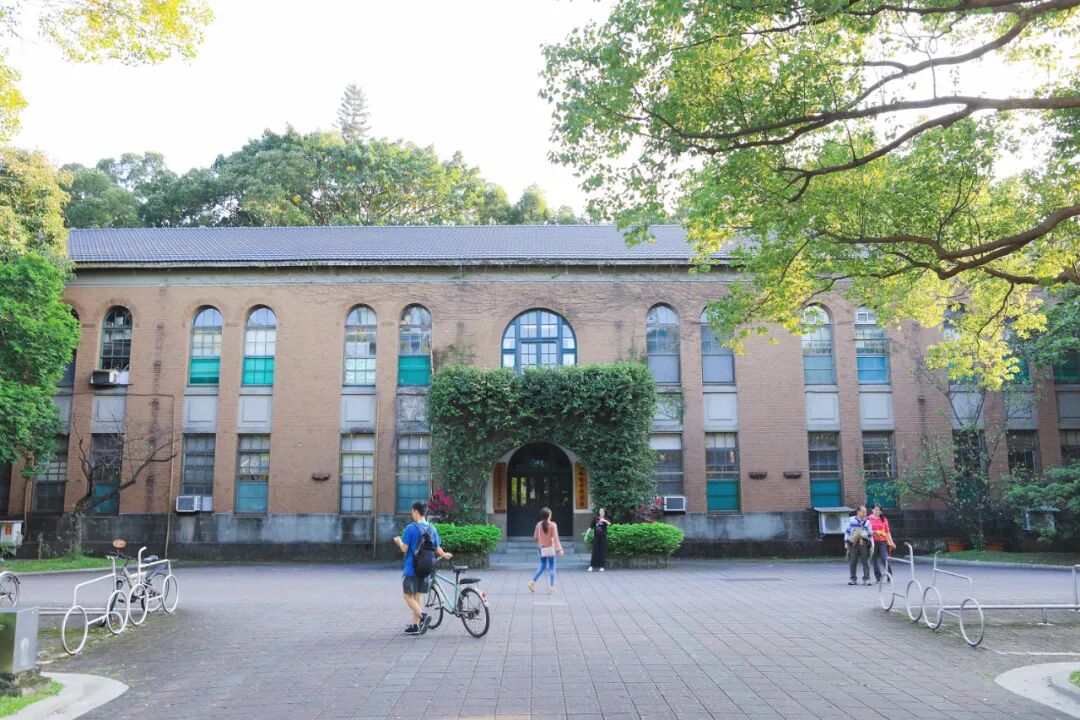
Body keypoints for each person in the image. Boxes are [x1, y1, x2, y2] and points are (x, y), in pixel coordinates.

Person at [392, 500, 452, 635]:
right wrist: (445, 554)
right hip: (426, 569)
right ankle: (415, 625)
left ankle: (423, 617)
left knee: (408, 596)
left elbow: (404, 549)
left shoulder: (410, 528)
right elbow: (437, 548)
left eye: (412, 511)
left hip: (412, 569)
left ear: (415, 511)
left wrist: (398, 541)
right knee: (418, 596)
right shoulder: (432, 528)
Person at [529, 507, 564, 595]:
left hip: (542, 548)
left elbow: (535, 537)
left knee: (542, 566)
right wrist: (559, 549)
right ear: (549, 515)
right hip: (550, 549)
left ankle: (532, 582)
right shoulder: (553, 525)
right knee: (552, 568)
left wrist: (541, 543)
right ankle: (552, 588)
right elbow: (555, 539)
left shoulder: (538, 524)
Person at [843, 505, 874, 586]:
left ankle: (866, 579)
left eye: (865, 512)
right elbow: (847, 532)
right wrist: (846, 543)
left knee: (865, 562)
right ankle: (853, 579)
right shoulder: (850, 520)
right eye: (863, 512)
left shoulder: (867, 522)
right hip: (853, 543)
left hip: (864, 543)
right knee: (852, 561)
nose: (865, 513)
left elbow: (871, 534)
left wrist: (872, 544)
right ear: (858, 512)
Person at [868, 504, 896, 584]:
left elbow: (887, 531)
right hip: (872, 541)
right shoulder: (868, 519)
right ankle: (878, 577)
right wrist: (874, 532)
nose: (878, 511)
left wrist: (891, 541)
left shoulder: (883, 519)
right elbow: (866, 530)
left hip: (883, 541)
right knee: (874, 560)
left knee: (884, 558)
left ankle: (889, 576)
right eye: (876, 510)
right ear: (872, 510)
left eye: (879, 510)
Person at [588, 507, 611, 572]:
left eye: (602, 511)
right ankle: (591, 566)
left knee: (602, 552)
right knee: (594, 551)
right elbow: (590, 527)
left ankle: (601, 566)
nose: (600, 512)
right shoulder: (596, 519)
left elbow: (609, 524)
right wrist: (586, 535)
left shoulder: (606, 519)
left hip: (603, 538)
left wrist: (605, 521)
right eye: (600, 511)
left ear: (604, 512)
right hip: (596, 537)